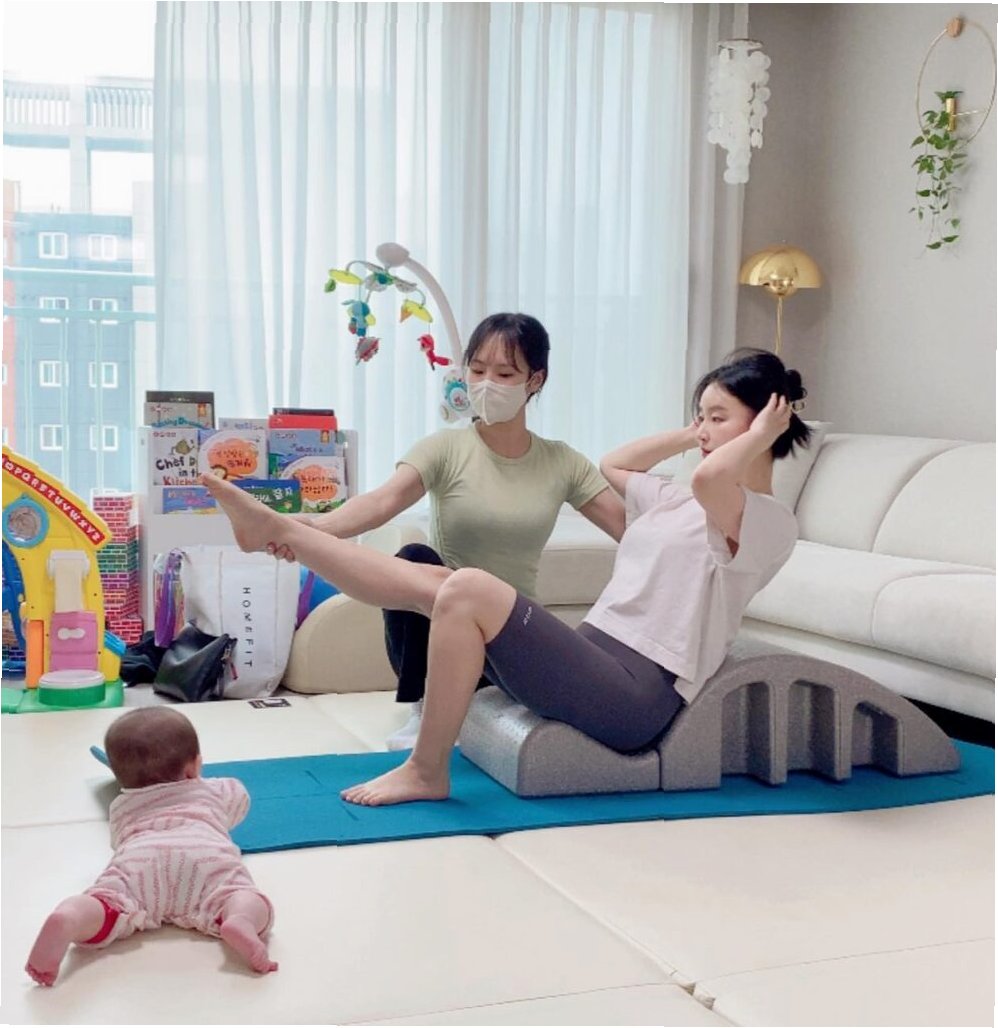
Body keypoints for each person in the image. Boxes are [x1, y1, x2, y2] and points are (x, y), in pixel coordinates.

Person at [202, 347, 810, 807]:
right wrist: (696, 428)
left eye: (717, 419)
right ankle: (286, 535)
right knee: (432, 580)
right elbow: (615, 462)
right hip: (596, 657)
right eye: (700, 417)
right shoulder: (673, 498)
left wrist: (760, 434)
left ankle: (426, 770)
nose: (702, 432)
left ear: (767, 423)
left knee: (468, 587)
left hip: (639, 697)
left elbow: (711, 479)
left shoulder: (767, 521)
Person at [270, 312, 624, 748]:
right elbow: (381, 501)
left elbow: (629, 529)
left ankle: (486, 701)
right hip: (446, 631)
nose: (487, 384)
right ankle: (425, 709)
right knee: (414, 560)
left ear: (535, 380)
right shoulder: (445, 448)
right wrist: (313, 529)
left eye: (504, 374)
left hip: (513, 633)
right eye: (477, 370)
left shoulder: (562, 462)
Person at [25, 708, 277, 985]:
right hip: (206, 857)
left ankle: (73, 916)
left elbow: (119, 841)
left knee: (109, 899)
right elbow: (241, 802)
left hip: (140, 860)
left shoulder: (120, 806)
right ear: (194, 767)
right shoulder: (218, 789)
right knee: (238, 893)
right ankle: (240, 918)